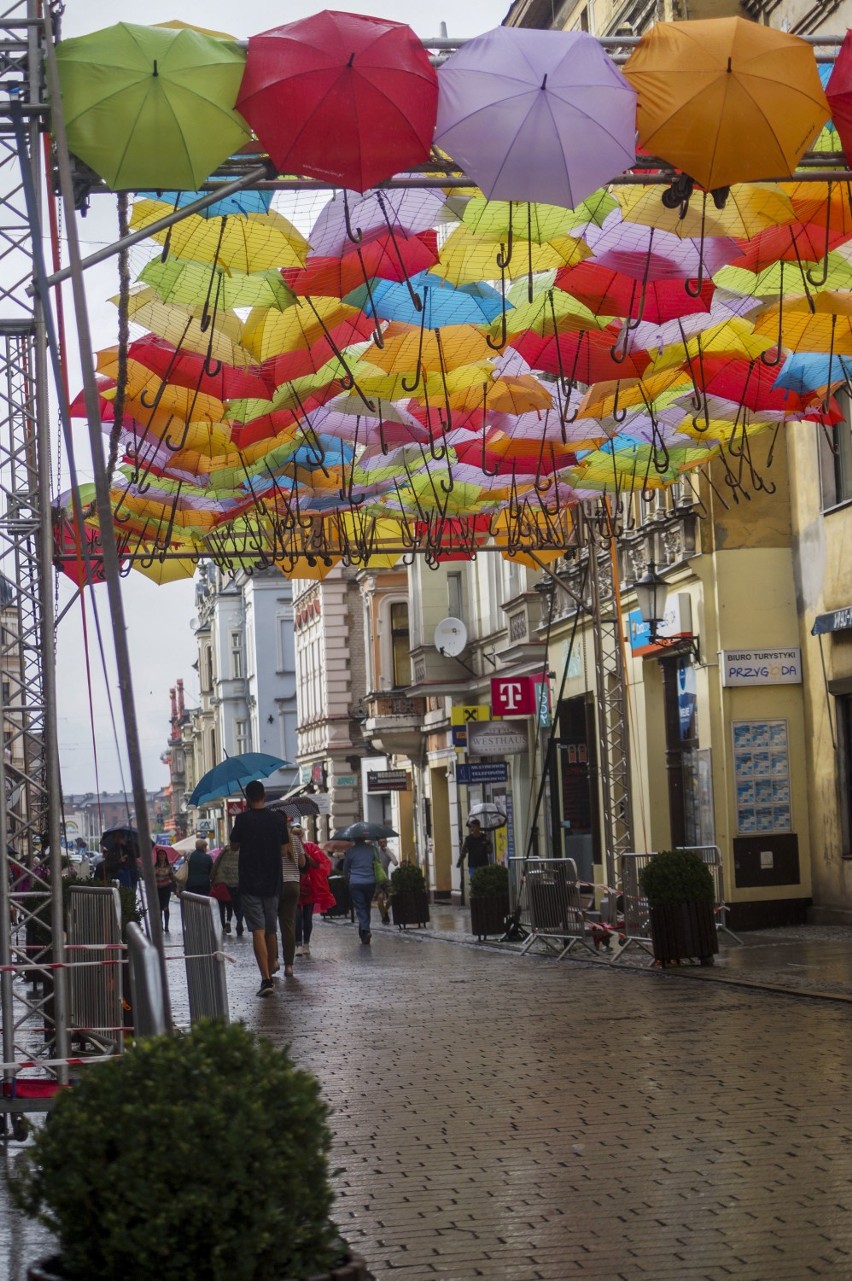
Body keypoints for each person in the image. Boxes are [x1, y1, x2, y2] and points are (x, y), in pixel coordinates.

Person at [229, 780, 287, 997]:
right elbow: (283, 850)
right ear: (264, 796)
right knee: (271, 930)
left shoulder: (242, 820)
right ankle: (272, 964)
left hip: (250, 882)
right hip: (273, 881)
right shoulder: (277, 819)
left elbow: (234, 847)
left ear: (247, 798)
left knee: (258, 931)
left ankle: (266, 979)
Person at [292, 824, 334, 956]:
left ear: (303, 834)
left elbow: (319, 865)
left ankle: (306, 944)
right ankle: (298, 944)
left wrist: (306, 856)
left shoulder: (310, 847)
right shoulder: (288, 848)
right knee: (297, 917)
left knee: (307, 917)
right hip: (294, 886)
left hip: (309, 887)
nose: (297, 835)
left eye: (299, 833)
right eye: (295, 833)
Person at [278, 820, 305, 977]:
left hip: (276, 885)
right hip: (293, 884)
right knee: (288, 926)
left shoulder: (272, 838)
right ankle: (289, 966)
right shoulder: (295, 840)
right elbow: (302, 863)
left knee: (270, 926)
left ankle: (273, 961)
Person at [343, 836, 377, 945]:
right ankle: (364, 934)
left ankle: (365, 930)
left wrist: (348, 879)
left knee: (360, 907)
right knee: (366, 907)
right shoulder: (372, 849)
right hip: (370, 881)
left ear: (354, 839)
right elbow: (377, 864)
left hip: (356, 882)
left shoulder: (350, 851)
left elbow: (345, 868)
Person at [211, 844, 243, 936]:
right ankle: (239, 922)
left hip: (223, 881)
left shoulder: (225, 850)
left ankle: (224, 926)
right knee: (238, 905)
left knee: (222, 905)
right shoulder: (244, 850)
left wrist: (212, 877)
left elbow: (216, 863)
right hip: (238, 881)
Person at [457, 819, 492, 884]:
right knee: (474, 883)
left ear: (478, 827)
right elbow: (463, 852)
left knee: (484, 883)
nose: (472, 829)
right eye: (471, 827)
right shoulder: (468, 839)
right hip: (472, 865)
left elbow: (490, 851)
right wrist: (459, 862)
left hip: (483, 865)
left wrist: (488, 843)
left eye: (474, 827)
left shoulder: (485, 838)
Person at [374, 837, 398, 925]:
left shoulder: (388, 852)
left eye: (384, 842)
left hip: (385, 879)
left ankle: (385, 911)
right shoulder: (375, 852)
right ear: (378, 843)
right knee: (380, 898)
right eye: (381, 842)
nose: (383, 844)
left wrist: (388, 852)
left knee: (393, 895)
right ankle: (384, 917)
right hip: (376, 879)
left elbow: (395, 862)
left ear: (387, 842)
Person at [153, 847, 176, 933]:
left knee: (166, 907)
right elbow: (151, 878)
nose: (162, 856)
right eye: (160, 854)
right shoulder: (155, 867)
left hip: (166, 888)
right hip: (157, 889)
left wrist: (176, 887)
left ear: (165, 856)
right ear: (158, 856)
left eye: (163, 854)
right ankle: (160, 924)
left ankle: (166, 925)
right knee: (159, 908)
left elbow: (172, 877)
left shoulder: (168, 867)